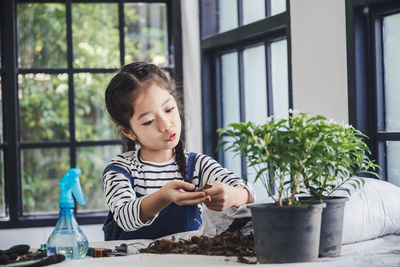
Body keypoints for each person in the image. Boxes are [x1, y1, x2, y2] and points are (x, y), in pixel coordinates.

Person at [102, 62, 255, 240]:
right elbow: (125, 217)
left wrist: (231, 195)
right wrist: (163, 196)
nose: (166, 125)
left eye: (169, 109)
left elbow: (248, 193)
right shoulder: (120, 169)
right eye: (149, 121)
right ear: (128, 131)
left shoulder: (197, 165)